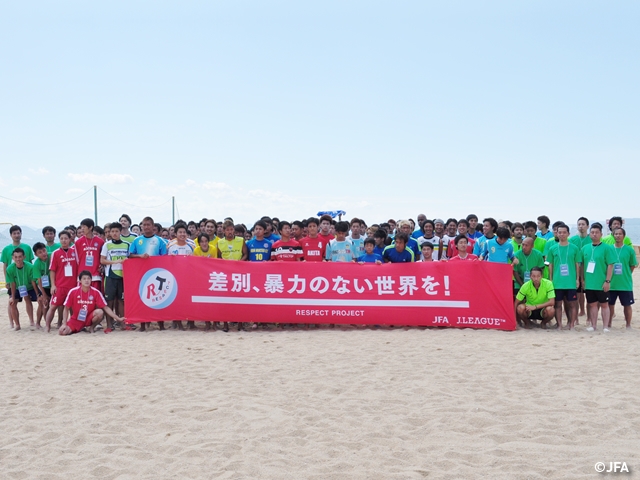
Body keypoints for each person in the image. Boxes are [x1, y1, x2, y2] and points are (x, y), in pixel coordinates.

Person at [129, 216, 168, 332]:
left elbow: (165, 257)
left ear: (153, 226)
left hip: (157, 274)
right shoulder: (137, 240)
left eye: (148, 225)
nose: (146, 227)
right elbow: (130, 255)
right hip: (141, 275)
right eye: (144, 225)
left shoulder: (160, 241)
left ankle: (161, 324)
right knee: (142, 298)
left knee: (159, 298)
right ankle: (143, 325)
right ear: (141, 226)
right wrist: (140, 256)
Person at [58, 271, 125, 335]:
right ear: (80, 281)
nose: (86, 280)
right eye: (84, 279)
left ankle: (92, 327)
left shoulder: (96, 292)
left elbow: (106, 308)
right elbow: (66, 308)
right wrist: (64, 324)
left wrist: (118, 318)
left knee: (100, 312)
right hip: (75, 320)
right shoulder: (73, 291)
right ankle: (80, 328)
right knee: (62, 332)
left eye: (88, 278)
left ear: (91, 280)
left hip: (89, 319)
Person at [581, 222, 615, 332]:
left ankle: (605, 326)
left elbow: (610, 265)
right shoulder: (585, 248)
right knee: (592, 305)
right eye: (592, 232)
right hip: (589, 282)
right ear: (589, 234)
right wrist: (582, 280)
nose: (594, 234)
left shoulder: (607, 248)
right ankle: (593, 325)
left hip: (602, 282)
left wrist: (607, 281)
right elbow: (581, 265)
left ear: (601, 234)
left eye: (596, 232)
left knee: (605, 305)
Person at [547, 224, 581, 330]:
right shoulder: (552, 248)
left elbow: (577, 265)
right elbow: (550, 265)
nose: (561, 234)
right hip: (557, 281)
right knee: (558, 304)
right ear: (556, 233)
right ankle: (559, 325)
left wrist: (577, 279)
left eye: (564, 232)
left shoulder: (574, 248)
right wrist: (551, 279)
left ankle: (571, 324)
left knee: (572, 304)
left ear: (568, 234)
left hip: (570, 281)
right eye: (559, 232)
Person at [1, 225, 34, 328]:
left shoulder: (27, 247)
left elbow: (30, 263)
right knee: (11, 301)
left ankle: (31, 321)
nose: (16, 235)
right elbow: (5, 266)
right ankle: (12, 323)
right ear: (11, 235)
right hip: (14, 281)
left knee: (27, 299)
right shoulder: (6, 249)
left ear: (21, 234)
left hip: (26, 281)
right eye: (14, 233)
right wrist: (7, 281)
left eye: (18, 233)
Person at [100, 222, 131, 332]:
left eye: (116, 231)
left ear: (120, 232)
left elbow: (130, 258)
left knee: (121, 301)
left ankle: (123, 324)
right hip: (110, 277)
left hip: (123, 277)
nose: (114, 233)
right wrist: (115, 261)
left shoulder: (127, 244)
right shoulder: (107, 245)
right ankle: (109, 325)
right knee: (110, 302)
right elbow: (102, 260)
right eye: (112, 231)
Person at [45, 231, 78, 333]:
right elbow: (52, 270)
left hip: (73, 285)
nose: (64, 240)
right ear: (59, 240)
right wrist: (53, 285)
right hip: (60, 286)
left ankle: (73, 326)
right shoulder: (55, 253)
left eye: (66, 238)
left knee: (73, 307)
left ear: (70, 239)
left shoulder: (75, 252)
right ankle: (47, 326)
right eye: (62, 239)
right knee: (53, 306)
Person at [608, 228, 637, 329]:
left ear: (624, 236)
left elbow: (633, 265)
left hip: (625, 283)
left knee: (627, 305)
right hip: (611, 284)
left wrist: (627, 273)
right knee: (610, 305)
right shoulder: (609, 249)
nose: (618, 236)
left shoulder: (629, 250)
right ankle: (609, 323)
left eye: (620, 234)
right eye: (616, 234)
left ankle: (628, 325)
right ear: (613, 235)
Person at [6, 248, 37, 330]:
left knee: (29, 299)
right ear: (13, 258)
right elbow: (12, 284)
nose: (18, 259)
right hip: (16, 288)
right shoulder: (10, 269)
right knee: (12, 303)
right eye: (16, 257)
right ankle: (17, 325)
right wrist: (12, 297)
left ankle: (32, 321)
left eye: (20, 257)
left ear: (24, 257)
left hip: (29, 287)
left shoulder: (30, 267)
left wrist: (38, 294)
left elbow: (33, 281)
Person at [74, 218, 106, 292]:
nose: (82, 229)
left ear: (90, 227)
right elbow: (77, 260)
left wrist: (101, 266)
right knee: (82, 297)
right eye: (81, 227)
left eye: (84, 227)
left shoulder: (100, 241)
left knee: (95, 297)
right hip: (82, 275)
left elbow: (102, 257)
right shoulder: (78, 242)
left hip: (96, 275)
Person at [31, 242, 52, 330]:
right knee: (43, 303)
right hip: (42, 286)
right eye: (40, 252)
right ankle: (38, 323)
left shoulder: (51, 255)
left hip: (51, 284)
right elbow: (38, 281)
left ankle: (47, 321)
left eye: (44, 250)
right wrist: (43, 294)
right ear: (36, 254)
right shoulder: (36, 264)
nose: (43, 253)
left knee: (51, 304)